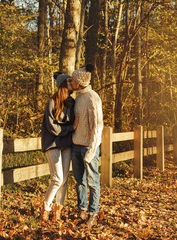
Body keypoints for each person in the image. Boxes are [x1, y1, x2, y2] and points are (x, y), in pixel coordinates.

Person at [41, 72, 78, 221]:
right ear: (63, 84)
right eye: (69, 81)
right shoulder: (51, 102)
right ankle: (46, 208)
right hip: (52, 144)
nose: (72, 83)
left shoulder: (72, 102)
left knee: (64, 179)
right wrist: (71, 128)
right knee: (57, 178)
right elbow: (53, 128)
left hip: (66, 144)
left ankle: (58, 210)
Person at [70, 64, 103, 227]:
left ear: (80, 82)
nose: (71, 82)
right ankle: (82, 209)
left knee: (92, 182)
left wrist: (91, 150)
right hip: (76, 146)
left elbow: (97, 127)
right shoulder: (78, 97)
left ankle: (93, 212)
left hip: (88, 148)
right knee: (79, 182)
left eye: (74, 79)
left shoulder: (92, 98)